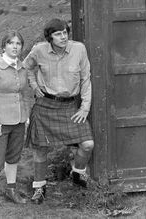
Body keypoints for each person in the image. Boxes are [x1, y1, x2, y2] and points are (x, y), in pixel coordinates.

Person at [24, 18, 94, 204]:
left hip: (70, 106)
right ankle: (39, 187)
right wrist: (33, 85)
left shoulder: (79, 49)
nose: (63, 36)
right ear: (49, 37)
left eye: (65, 32)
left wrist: (85, 107)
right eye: (58, 34)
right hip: (45, 105)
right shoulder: (38, 50)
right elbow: (27, 68)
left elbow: (86, 79)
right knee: (40, 148)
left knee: (87, 144)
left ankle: (77, 173)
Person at [0, 30, 30, 215]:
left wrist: (24, 116)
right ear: (4, 46)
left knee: (13, 158)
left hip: (18, 121)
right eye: (11, 43)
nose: (15, 46)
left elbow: (25, 94)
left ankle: (11, 190)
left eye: (18, 43)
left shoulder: (22, 67)